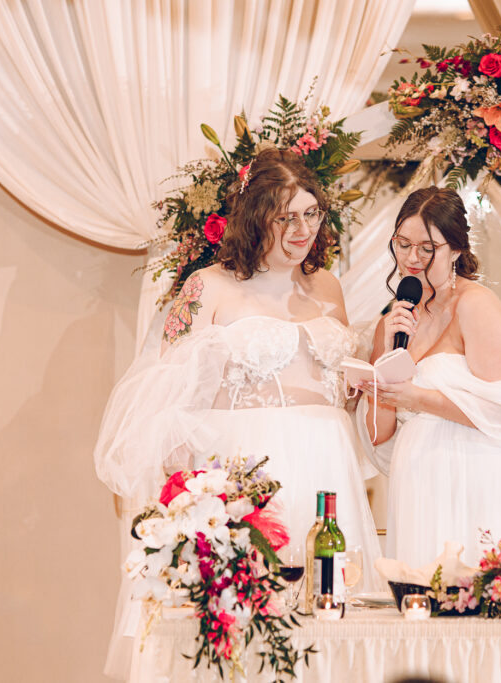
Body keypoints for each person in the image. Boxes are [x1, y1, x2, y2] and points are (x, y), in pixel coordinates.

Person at [94, 148, 381, 679]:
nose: (302, 229)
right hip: (247, 474)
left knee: (328, 616)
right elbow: (164, 393)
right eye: (285, 216)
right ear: (255, 217)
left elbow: (338, 387)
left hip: (327, 467)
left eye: (312, 213)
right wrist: (190, 499)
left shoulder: (329, 287)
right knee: (243, 624)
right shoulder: (209, 286)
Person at [357, 186, 501, 568]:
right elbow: (379, 436)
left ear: (456, 250)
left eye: (428, 248)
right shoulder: (391, 322)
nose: (412, 258)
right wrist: (381, 369)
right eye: (403, 244)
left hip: (479, 478)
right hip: (419, 483)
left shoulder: (475, 306)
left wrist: (416, 398)